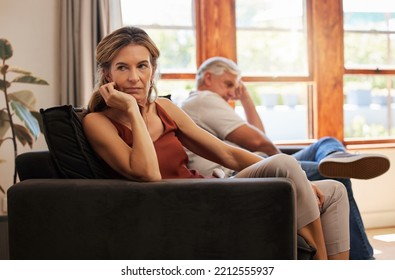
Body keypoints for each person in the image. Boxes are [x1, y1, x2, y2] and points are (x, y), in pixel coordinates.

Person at [82, 26, 350, 260]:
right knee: (285, 162)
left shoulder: (164, 107)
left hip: (212, 190)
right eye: (122, 67)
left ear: (152, 69)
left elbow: (226, 154)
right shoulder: (97, 122)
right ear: (107, 74)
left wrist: (302, 180)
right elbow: (148, 173)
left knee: (334, 190)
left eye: (142, 65)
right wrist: (131, 108)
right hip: (185, 205)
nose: (134, 77)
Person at [181, 56, 391, 260]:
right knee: (337, 177)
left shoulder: (210, 104)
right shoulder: (203, 99)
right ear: (208, 77)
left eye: (234, 87)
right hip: (249, 170)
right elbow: (259, 141)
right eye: (228, 84)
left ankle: (335, 156)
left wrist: (246, 99)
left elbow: (260, 136)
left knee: (325, 143)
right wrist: (285, 164)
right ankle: (363, 259)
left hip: (260, 161)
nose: (231, 93)